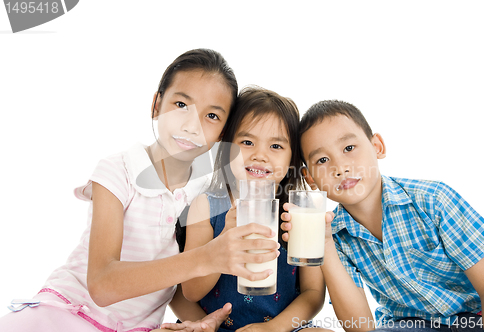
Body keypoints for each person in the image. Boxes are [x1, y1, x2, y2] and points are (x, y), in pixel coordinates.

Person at [0, 49, 281, 332]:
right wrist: (206, 257)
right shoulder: (117, 171)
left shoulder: (204, 194)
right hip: (69, 315)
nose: (192, 125)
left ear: (222, 132)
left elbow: (169, 283)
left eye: (211, 115)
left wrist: (201, 321)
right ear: (157, 105)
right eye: (181, 104)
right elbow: (102, 284)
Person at [282, 100, 484, 332]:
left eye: (348, 148)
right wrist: (325, 244)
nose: (340, 167)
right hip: (409, 326)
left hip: (477, 317)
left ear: (378, 146)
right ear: (310, 178)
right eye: (322, 160)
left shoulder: (433, 198)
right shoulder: (333, 235)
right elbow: (361, 327)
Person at [177, 86, 327, 332]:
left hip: (282, 329)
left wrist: (274, 329)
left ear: (292, 158)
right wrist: (223, 239)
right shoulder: (206, 207)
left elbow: (313, 293)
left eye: (276, 146)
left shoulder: (298, 212)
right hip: (213, 326)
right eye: (247, 142)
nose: (260, 155)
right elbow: (190, 292)